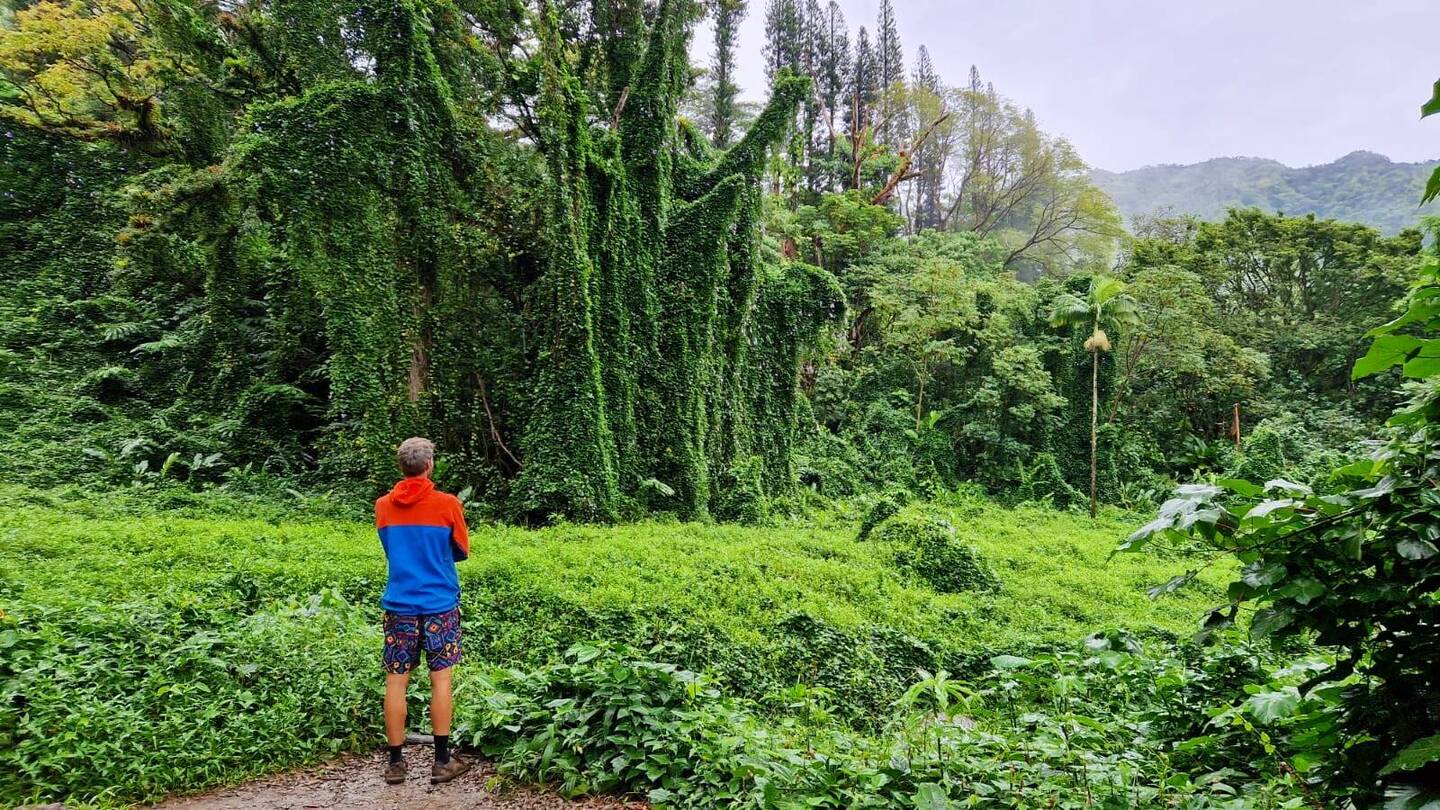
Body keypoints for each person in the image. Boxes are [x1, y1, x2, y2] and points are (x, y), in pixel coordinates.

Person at [375, 437, 471, 785]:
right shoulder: (447, 504)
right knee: (441, 679)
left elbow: (390, 549)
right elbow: (461, 549)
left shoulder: (383, 505)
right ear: (429, 465)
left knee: (395, 681)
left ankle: (396, 764)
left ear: (401, 467)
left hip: (399, 604)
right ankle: (442, 761)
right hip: (439, 604)